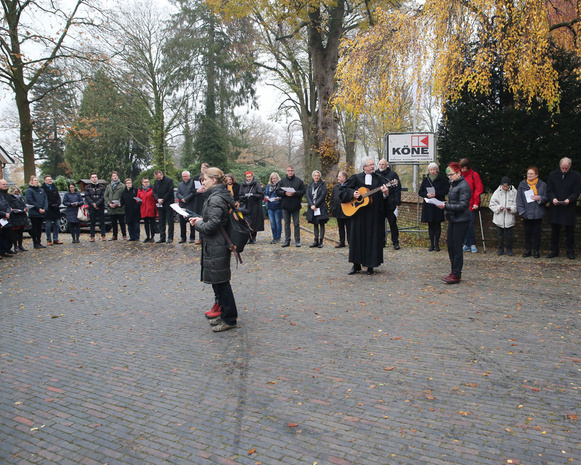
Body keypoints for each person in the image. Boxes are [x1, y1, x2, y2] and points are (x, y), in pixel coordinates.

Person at [188, 168, 238, 333]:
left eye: (206, 179)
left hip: (217, 244)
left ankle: (229, 319)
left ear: (214, 180)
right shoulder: (216, 196)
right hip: (215, 244)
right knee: (219, 283)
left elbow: (212, 226)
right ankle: (224, 314)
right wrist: (201, 219)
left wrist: (197, 224)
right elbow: (214, 219)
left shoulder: (216, 198)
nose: (203, 182)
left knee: (222, 284)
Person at [339, 157, 390, 275]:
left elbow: (385, 198)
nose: (373, 166)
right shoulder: (356, 178)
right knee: (357, 239)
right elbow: (343, 189)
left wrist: (385, 194)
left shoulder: (379, 178)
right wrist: (353, 193)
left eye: (373, 164)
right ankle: (356, 265)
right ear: (364, 167)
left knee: (372, 239)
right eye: (370, 165)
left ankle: (370, 265)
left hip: (374, 214)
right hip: (359, 214)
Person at [436, 162, 471, 284]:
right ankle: (453, 271)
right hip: (453, 219)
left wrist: (446, 206)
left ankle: (456, 274)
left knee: (457, 248)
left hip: (461, 220)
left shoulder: (464, 186)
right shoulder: (454, 185)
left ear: (458, 173)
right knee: (450, 246)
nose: (449, 177)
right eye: (448, 175)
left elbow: (463, 205)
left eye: (451, 174)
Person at [546, 157, 581, 259]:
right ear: (560, 166)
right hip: (556, 207)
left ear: (570, 166)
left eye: (566, 168)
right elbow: (549, 190)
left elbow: (577, 191)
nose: (564, 170)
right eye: (563, 168)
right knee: (555, 231)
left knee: (570, 231)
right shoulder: (552, 175)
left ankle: (570, 251)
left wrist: (570, 199)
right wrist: (553, 199)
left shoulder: (576, 176)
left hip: (568, 207)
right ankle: (554, 250)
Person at [516, 167, 547, 258]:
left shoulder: (542, 185)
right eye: (528, 173)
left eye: (531, 174)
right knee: (527, 233)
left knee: (536, 233)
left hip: (537, 213)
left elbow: (547, 197)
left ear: (536, 175)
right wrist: (521, 211)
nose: (529, 175)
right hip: (526, 213)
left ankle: (536, 251)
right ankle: (528, 250)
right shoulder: (522, 185)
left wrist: (539, 198)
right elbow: (519, 199)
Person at [418, 163, 449, 251]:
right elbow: (420, 192)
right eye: (431, 170)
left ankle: (437, 244)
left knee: (437, 224)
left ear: (437, 170)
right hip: (428, 204)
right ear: (429, 171)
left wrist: (436, 194)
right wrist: (427, 194)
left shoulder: (442, 179)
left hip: (438, 203)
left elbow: (445, 190)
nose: (433, 171)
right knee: (430, 224)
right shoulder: (425, 180)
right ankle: (431, 244)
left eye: (434, 170)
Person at [277, 165, 306, 247]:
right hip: (285, 205)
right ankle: (287, 240)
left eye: (292, 170)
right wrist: (284, 193)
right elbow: (278, 191)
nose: (290, 172)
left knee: (296, 223)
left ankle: (297, 240)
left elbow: (303, 191)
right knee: (286, 224)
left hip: (295, 205)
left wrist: (295, 193)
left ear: (294, 171)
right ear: (286, 172)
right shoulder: (282, 181)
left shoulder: (299, 181)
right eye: (289, 170)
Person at [459, 158, 484, 253]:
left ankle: (472, 243)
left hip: (471, 204)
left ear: (466, 167)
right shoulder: (460, 175)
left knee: (469, 224)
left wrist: (476, 202)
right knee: (463, 224)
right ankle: (466, 244)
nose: (461, 170)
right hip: (462, 204)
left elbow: (478, 189)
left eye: (463, 168)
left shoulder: (474, 175)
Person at [376, 159, 402, 249]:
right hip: (379, 204)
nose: (381, 166)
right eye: (380, 164)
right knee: (379, 224)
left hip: (391, 203)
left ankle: (395, 242)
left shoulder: (393, 175)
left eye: (383, 164)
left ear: (386, 165)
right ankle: (381, 242)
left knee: (393, 224)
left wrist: (397, 202)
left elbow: (397, 190)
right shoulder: (375, 174)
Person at [489, 176, 517, 256]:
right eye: (503, 186)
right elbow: (492, 204)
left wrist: (511, 209)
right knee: (499, 236)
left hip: (509, 218)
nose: (505, 188)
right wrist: (499, 208)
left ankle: (509, 249)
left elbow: (516, 205)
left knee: (509, 236)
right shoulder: (497, 192)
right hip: (499, 218)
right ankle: (500, 249)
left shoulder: (514, 192)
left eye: (506, 186)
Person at [238, 171, 264, 244]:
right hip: (246, 206)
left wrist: (253, 195)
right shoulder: (242, 185)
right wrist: (245, 197)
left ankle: (254, 237)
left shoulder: (256, 185)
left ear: (252, 176)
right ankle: (249, 237)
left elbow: (261, 195)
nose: (248, 178)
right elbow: (240, 195)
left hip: (255, 206)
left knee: (254, 222)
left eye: (250, 176)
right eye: (247, 177)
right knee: (247, 222)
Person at [306, 170, 329, 248]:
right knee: (315, 224)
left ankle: (321, 241)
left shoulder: (323, 185)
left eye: (318, 175)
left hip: (320, 207)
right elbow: (308, 196)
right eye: (315, 175)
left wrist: (315, 204)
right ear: (313, 176)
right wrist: (311, 205)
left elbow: (323, 195)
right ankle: (315, 240)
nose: (316, 177)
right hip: (312, 208)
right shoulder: (310, 185)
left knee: (321, 224)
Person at [153, 169, 175, 243]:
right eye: (157, 178)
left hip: (168, 203)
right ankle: (162, 237)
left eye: (159, 177)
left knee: (170, 221)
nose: (158, 179)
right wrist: (157, 199)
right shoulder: (156, 182)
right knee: (161, 221)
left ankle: (170, 237)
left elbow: (170, 191)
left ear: (161, 174)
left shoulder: (169, 180)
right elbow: (154, 191)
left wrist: (163, 199)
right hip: (160, 204)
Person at [25, 175, 47, 249]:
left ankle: (39, 242)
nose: (37, 182)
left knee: (40, 228)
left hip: (42, 212)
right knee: (35, 228)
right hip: (34, 212)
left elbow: (45, 199)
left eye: (37, 180)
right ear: (31, 181)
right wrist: (39, 208)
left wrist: (44, 208)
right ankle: (35, 243)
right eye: (35, 180)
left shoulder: (41, 190)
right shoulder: (29, 191)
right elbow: (30, 201)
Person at [104, 171, 127, 241]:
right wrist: (109, 203)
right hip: (111, 208)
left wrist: (119, 203)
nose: (115, 177)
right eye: (113, 176)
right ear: (111, 177)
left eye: (116, 176)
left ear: (118, 176)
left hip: (120, 208)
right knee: (113, 223)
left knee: (122, 222)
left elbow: (124, 196)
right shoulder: (108, 186)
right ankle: (114, 235)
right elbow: (105, 196)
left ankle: (124, 235)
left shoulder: (122, 186)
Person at [41, 175, 63, 245]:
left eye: (50, 179)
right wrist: (50, 205)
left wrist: (57, 204)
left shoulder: (54, 187)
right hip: (49, 209)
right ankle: (48, 239)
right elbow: (44, 199)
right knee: (48, 225)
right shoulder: (42, 189)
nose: (50, 181)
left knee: (57, 224)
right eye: (48, 179)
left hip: (56, 209)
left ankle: (55, 238)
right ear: (45, 181)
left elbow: (58, 197)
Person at [330, 171, 350, 248]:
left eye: (340, 176)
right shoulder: (336, 187)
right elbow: (332, 198)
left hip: (347, 211)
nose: (338, 178)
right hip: (338, 211)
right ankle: (342, 242)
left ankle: (350, 242)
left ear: (344, 178)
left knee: (349, 228)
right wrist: (332, 208)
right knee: (340, 227)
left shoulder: (349, 187)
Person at [7, 186, 30, 252]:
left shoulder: (21, 197)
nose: (18, 193)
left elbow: (24, 204)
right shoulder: (10, 198)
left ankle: (20, 245)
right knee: (15, 233)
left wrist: (25, 208)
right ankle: (15, 246)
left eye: (18, 191)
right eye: (16, 192)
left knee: (20, 232)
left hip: (22, 216)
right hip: (15, 217)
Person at [177, 170, 197, 243]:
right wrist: (182, 198)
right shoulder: (180, 184)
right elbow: (178, 193)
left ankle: (192, 238)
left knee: (191, 222)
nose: (184, 178)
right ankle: (183, 237)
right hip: (182, 205)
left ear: (189, 176)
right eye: (183, 176)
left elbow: (193, 193)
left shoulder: (192, 183)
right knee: (182, 223)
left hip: (190, 205)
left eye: (185, 176)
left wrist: (186, 199)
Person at [85, 173, 107, 241]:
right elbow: (87, 197)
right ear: (90, 179)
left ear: (97, 178)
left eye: (95, 177)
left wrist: (97, 204)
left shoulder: (102, 187)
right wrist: (93, 204)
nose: (94, 178)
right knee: (92, 222)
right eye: (93, 177)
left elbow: (103, 196)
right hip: (92, 207)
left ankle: (103, 235)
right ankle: (92, 236)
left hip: (100, 206)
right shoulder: (87, 187)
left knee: (102, 222)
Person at [192, 163, 210, 244]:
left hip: (207, 198)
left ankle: (206, 237)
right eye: (202, 167)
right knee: (199, 217)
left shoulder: (210, 177)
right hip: (199, 200)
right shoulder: (196, 177)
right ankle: (200, 238)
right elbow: (192, 189)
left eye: (205, 168)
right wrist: (197, 191)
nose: (203, 169)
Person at [264, 172, 282, 243]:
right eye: (272, 178)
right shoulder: (269, 186)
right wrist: (267, 197)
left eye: (275, 178)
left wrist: (279, 198)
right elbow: (266, 194)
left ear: (277, 178)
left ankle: (278, 237)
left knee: (278, 222)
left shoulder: (280, 186)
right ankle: (274, 237)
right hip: (270, 206)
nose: (274, 180)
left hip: (277, 205)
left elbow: (283, 195)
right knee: (272, 223)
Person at [137, 177, 156, 242]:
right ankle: (147, 236)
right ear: (142, 183)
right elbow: (137, 197)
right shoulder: (140, 190)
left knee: (152, 224)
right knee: (146, 224)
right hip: (144, 209)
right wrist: (138, 201)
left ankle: (152, 236)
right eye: (145, 182)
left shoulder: (152, 189)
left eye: (147, 182)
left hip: (151, 209)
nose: (146, 183)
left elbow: (155, 197)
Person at [0, 179, 15, 257]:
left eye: (6, 184)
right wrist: (3, 214)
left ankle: (7, 249)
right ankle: (2, 251)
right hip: (1, 218)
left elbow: (7, 205)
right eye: (3, 184)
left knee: (9, 234)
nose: (5, 186)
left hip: (6, 218)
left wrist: (8, 213)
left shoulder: (5, 196)